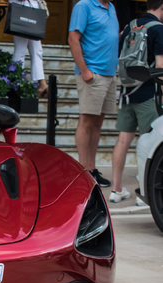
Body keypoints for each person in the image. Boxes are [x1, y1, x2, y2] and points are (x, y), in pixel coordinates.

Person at [109, 0, 163, 203]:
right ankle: (144, 191)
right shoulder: (158, 29)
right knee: (149, 142)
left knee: (123, 139)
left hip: (126, 93)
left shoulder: (131, 26)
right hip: (149, 93)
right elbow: (160, 66)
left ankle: (116, 189)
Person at [68, 0, 119, 187]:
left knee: (97, 123)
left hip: (109, 73)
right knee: (87, 121)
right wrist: (84, 70)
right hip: (93, 73)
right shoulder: (84, 6)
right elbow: (73, 38)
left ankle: (91, 168)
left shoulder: (111, 7)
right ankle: (84, 172)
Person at [10, 0, 49, 97]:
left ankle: (42, 83)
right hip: (20, 9)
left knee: (37, 50)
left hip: (33, 9)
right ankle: (16, 83)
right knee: (20, 50)